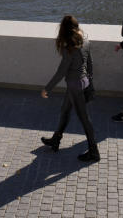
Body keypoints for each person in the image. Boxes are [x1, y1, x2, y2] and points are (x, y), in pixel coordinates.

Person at [40, 15, 99, 162]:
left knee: (85, 119)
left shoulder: (70, 49)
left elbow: (61, 72)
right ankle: (56, 139)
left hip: (75, 86)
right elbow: (90, 64)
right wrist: (90, 83)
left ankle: (94, 152)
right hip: (82, 82)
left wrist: (47, 88)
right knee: (65, 110)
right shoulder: (85, 41)